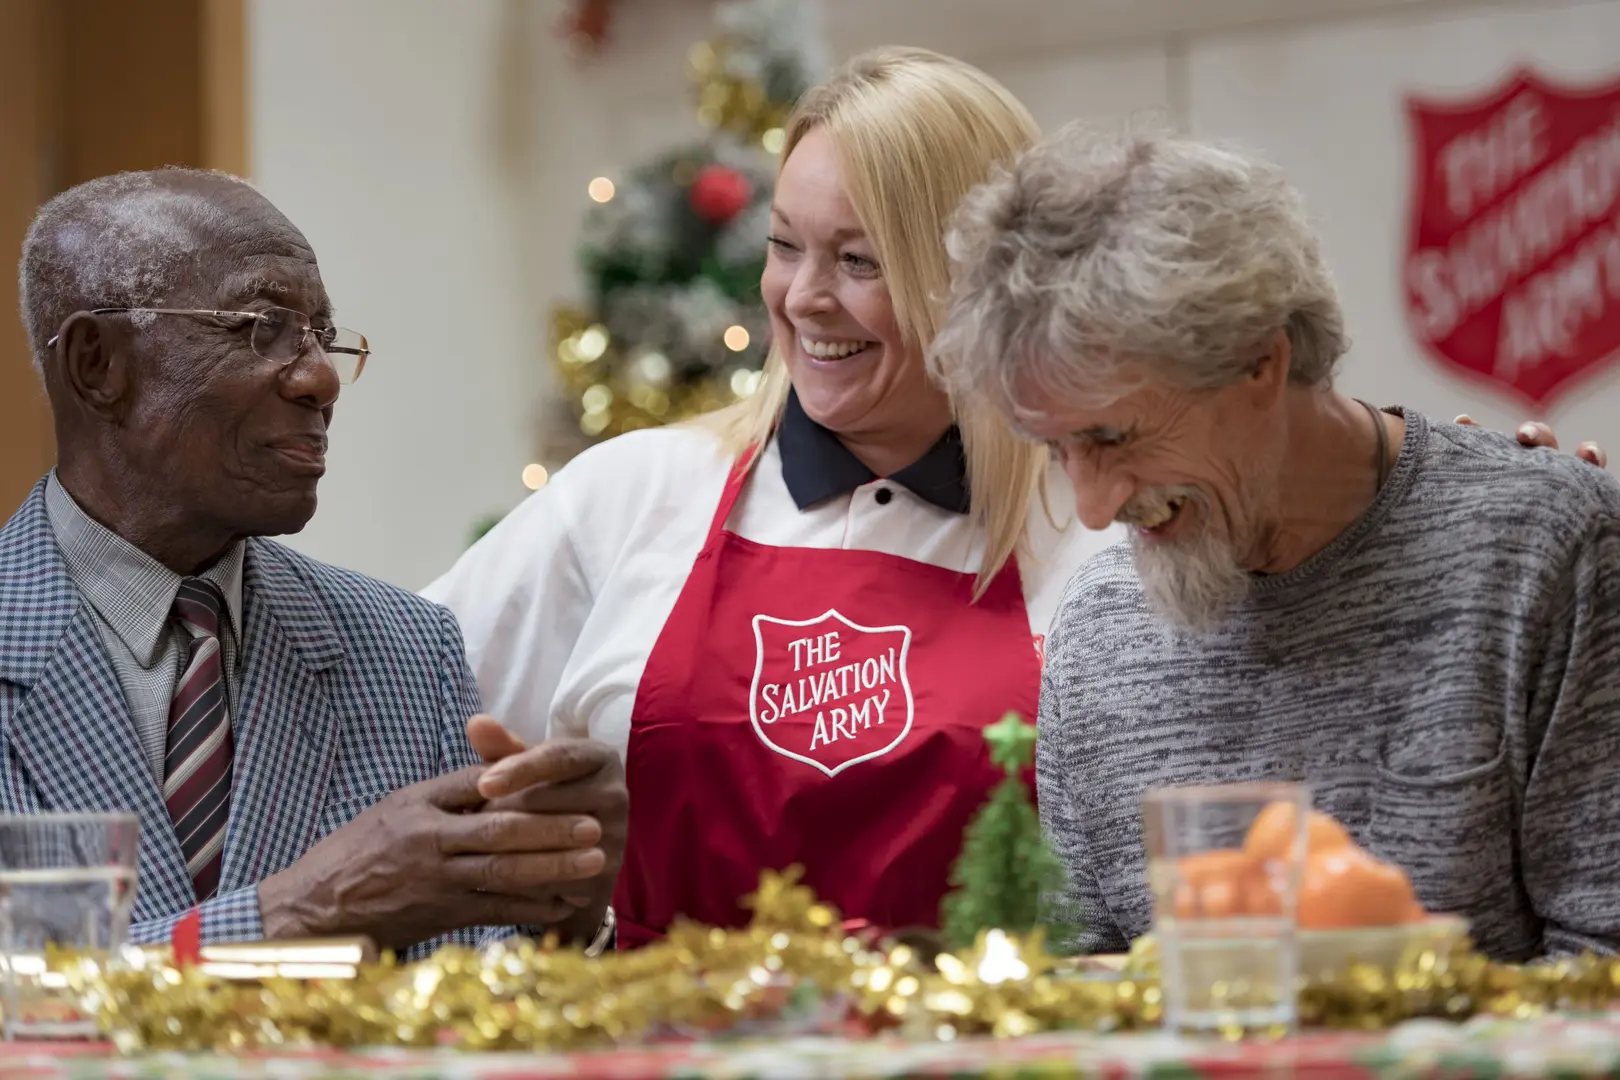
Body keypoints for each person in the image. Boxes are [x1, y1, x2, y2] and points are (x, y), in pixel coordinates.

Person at [424, 47, 1119, 946]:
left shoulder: (1095, 545)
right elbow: (391, 721)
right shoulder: (629, 495)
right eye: (785, 245)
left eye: (859, 260)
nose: (802, 297)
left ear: (982, 284)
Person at [932, 123, 1620, 961]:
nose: (1093, 507)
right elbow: (1085, 999)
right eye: (1058, 450)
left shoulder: (1548, 555)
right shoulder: (1100, 633)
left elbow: (1603, 974)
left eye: (1114, 438)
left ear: (1260, 359)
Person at [6, 168, 626, 956]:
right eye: (261, 327)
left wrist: (565, 920)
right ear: (99, 364)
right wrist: (294, 914)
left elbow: (482, 1009)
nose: (320, 377)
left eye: (321, 335)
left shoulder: (407, 652)